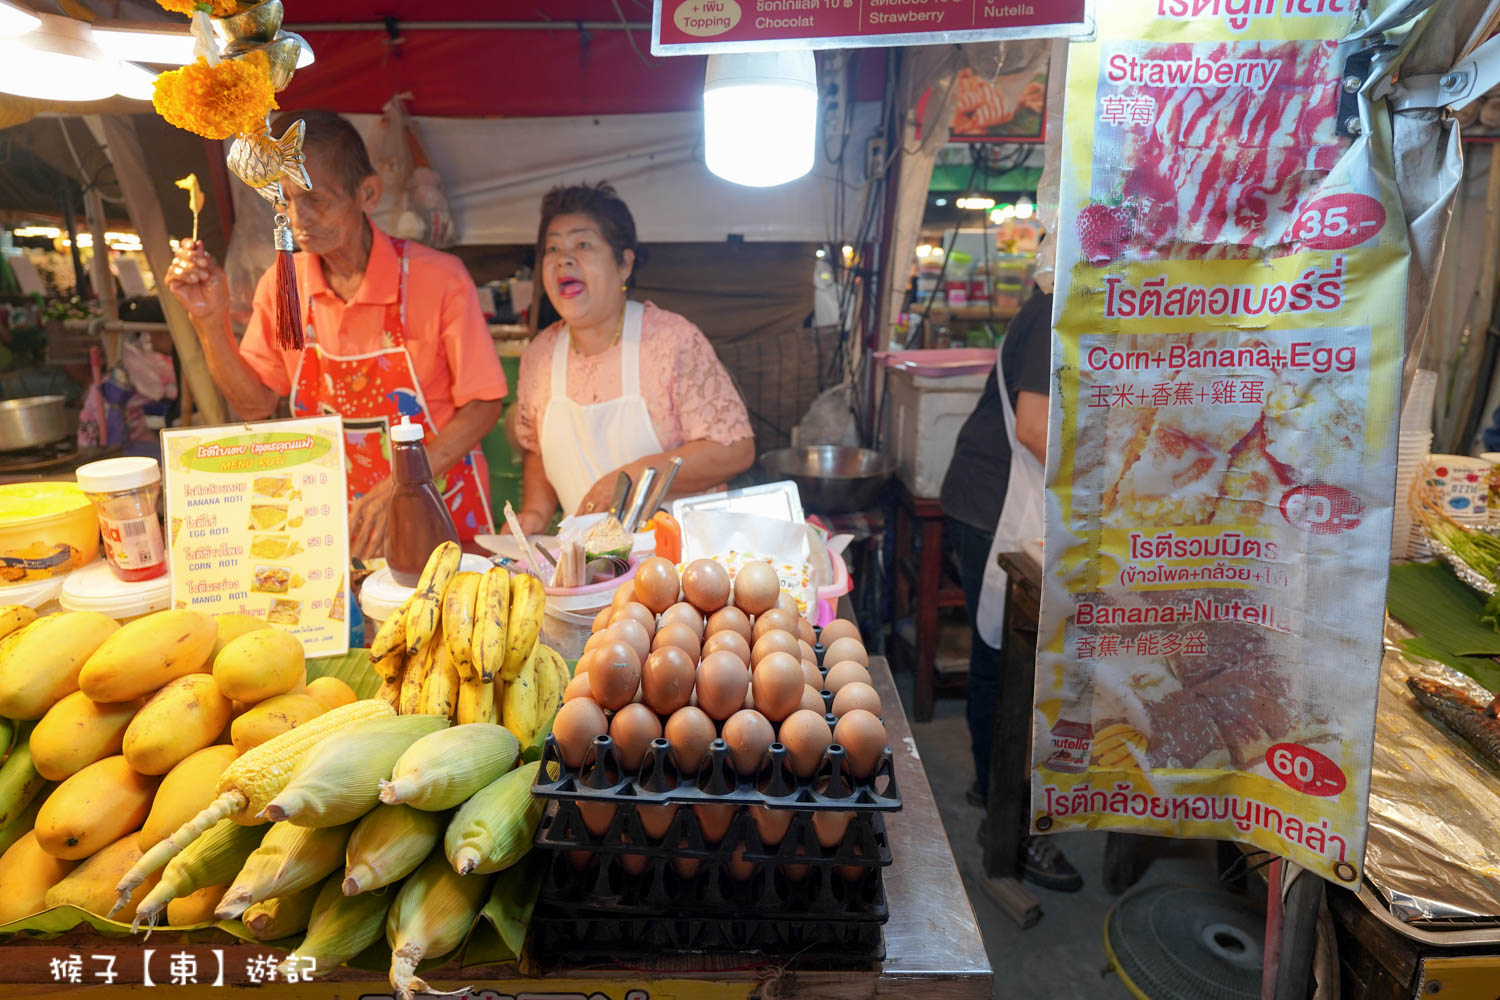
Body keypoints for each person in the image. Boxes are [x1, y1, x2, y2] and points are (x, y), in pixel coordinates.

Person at [165, 110, 507, 557]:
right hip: (334, 525)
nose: (296, 219)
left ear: (366, 193)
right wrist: (209, 322)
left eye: (314, 199)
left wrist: (404, 482)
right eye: (284, 201)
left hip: (441, 512)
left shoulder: (438, 278)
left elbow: (483, 405)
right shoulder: (283, 285)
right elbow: (256, 402)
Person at [939, 282, 1082, 892]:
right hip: (997, 505)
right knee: (1009, 665)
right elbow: (1034, 426)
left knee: (1001, 659)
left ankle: (987, 781)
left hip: (1005, 502)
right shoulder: (1056, 305)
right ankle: (1008, 821)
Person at [512, 183, 755, 532]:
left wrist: (632, 478)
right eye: (552, 248)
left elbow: (734, 450)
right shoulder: (539, 356)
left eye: (583, 244)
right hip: (587, 568)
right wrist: (534, 513)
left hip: (680, 561)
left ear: (624, 264)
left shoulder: (671, 341)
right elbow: (537, 451)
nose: (563, 258)